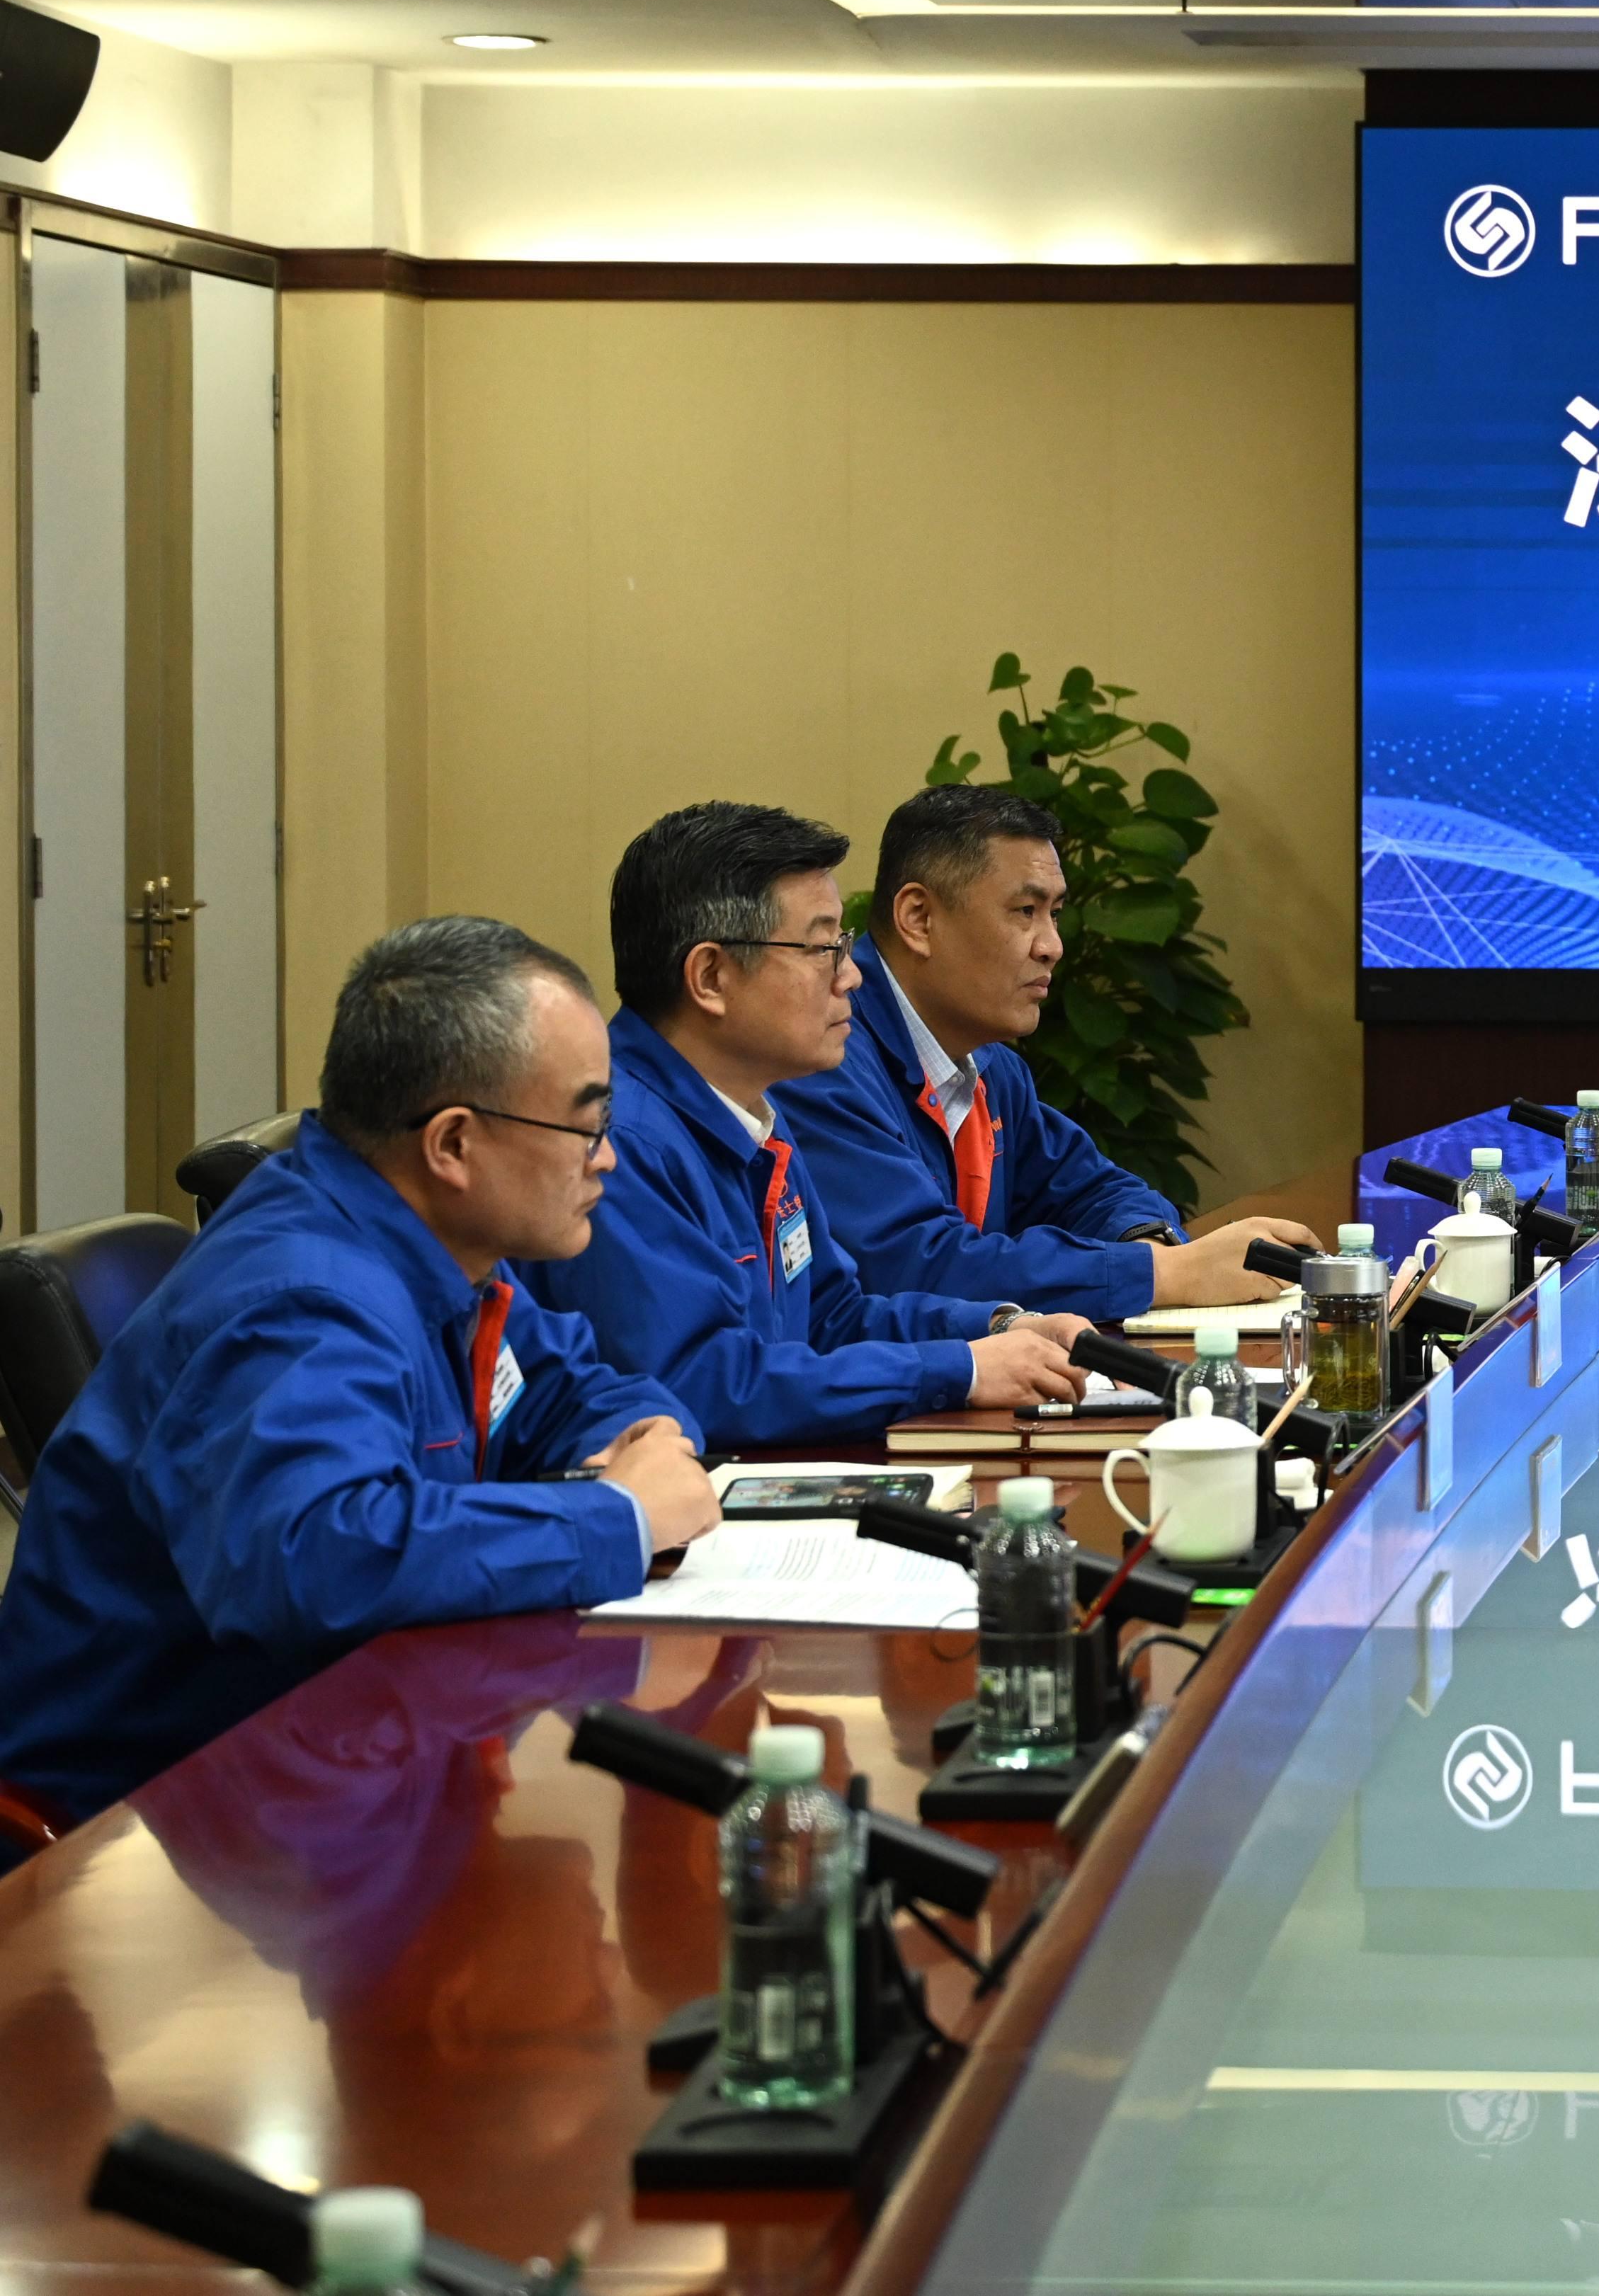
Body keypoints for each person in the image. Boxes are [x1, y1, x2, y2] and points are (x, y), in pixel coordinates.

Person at [0, 919, 722, 1836]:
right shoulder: (302, 1298)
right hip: (128, 1831)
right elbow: (318, 1558)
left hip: (321, 1767)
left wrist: (643, 1439)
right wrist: (618, 1515)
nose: (607, 1156)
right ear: (452, 1144)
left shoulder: (437, 1244)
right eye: (587, 1124)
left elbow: (569, 1381)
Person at [526, 804, 1086, 1451]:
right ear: (711, 977)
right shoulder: (620, 1145)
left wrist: (997, 1327)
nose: (851, 975)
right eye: (823, 948)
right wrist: (956, 1370)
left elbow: (832, 1318)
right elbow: (702, 1385)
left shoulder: (756, 1112)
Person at [783, 785, 1314, 1320]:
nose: (1052, 946)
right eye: (1025, 910)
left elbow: (1093, 1191)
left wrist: (1149, 1245)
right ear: (918, 918)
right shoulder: (822, 1060)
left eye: (1054, 913)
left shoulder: (990, 1064)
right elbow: (916, 1266)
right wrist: (1166, 1274)